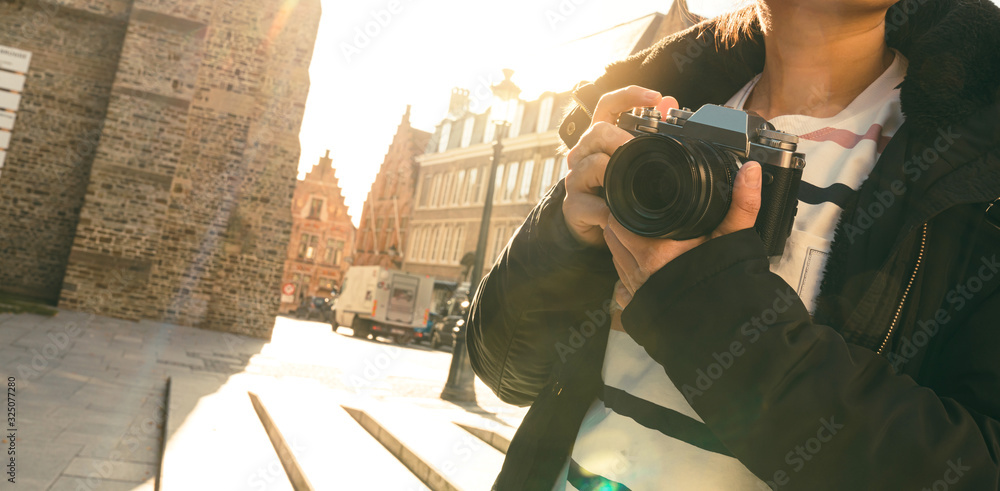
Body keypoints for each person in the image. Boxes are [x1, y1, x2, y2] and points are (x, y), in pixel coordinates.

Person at [466, 0, 1000, 489]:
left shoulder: (980, 160)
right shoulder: (660, 106)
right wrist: (561, 238)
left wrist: (703, 307)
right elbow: (506, 372)